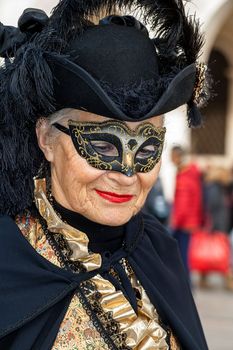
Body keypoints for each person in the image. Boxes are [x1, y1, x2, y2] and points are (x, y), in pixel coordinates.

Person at [0, 1, 209, 349]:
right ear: (46, 139)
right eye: (103, 145)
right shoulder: (8, 256)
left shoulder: (158, 249)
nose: (126, 175)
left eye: (145, 150)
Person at [171, 146, 204, 277]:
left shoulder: (184, 177)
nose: (171, 159)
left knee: (181, 259)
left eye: (172, 156)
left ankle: (185, 289)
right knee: (183, 258)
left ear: (178, 157)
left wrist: (174, 223)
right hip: (189, 222)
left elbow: (183, 205)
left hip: (183, 224)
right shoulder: (191, 175)